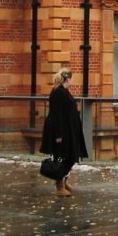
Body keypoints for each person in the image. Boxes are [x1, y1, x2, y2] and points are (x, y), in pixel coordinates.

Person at [39, 67, 88, 197]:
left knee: (70, 155)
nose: (72, 81)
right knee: (64, 156)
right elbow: (58, 114)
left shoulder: (63, 91)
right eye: (71, 79)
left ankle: (63, 180)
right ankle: (59, 184)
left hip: (68, 130)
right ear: (67, 78)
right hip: (62, 131)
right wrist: (59, 135)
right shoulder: (59, 92)